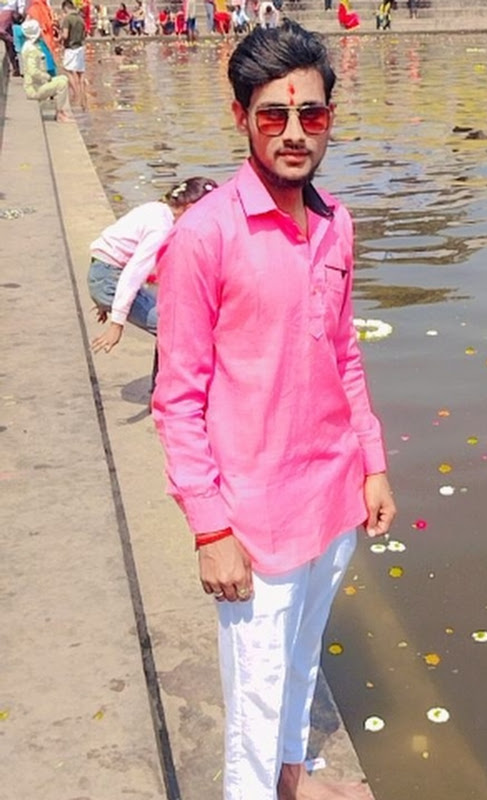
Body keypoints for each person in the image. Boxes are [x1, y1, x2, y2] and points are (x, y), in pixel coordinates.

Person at [152, 21, 396, 800]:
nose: (294, 133)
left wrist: (373, 464)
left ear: (329, 118)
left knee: (300, 658)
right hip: (255, 518)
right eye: (274, 115)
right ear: (242, 118)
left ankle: (291, 778)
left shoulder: (336, 223)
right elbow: (177, 398)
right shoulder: (204, 237)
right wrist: (211, 530)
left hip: (332, 495)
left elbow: (343, 353)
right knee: (254, 702)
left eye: (310, 113)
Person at [87, 177, 218, 356]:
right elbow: (133, 273)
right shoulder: (160, 229)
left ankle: (163, 374)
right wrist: (116, 323)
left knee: (172, 319)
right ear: (190, 208)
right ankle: (165, 374)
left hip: (103, 273)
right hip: (111, 279)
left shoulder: (157, 209)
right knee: (175, 327)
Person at [21, 18, 72, 121]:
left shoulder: (31, 45)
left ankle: (61, 111)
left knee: (63, 78)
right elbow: (33, 71)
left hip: (37, 84)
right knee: (62, 84)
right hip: (34, 88)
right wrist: (46, 77)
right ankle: (60, 113)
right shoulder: (31, 50)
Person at [61, 0, 87, 111]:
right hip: (80, 47)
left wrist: (59, 37)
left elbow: (65, 35)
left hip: (70, 48)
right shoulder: (81, 18)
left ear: (65, 8)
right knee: (81, 74)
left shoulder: (67, 19)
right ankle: (83, 98)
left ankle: (76, 95)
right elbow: (85, 34)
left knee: (68, 70)